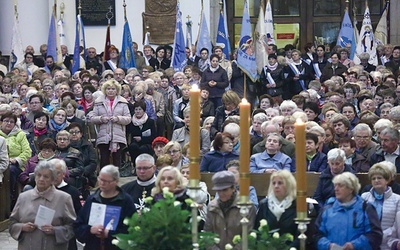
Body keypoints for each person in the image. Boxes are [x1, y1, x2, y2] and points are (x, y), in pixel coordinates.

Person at [9, 161, 76, 250]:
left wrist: (55, 231)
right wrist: (22, 227)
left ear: (52, 179)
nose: (41, 179)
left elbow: (72, 227)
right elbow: (12, 223)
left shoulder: (64, 198)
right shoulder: (23, 197)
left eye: (46, 176)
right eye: (39, 175)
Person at [74, 165, 136, 250]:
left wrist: (110, 234)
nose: (102, 183)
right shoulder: (92, 199)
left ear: (116, 181)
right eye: (100, 179)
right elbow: (78, 226)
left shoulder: (125, 201)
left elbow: (132, 229)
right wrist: (90, 230)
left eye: (106, 181)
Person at [315, 172, 383, 250]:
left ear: (351, 189)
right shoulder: (326, 210)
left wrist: (354, 245)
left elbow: (375, 235)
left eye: (340, 186)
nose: (336, 189)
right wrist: (328, 246)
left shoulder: (366, 208)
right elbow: (317, 236)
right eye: (335, 185)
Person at [204, 171, 256, 249]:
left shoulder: (246, 206)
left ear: (233, 188)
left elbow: (248, 235)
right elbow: (207, 234)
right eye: (218, 190)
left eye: (225, 190)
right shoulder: (212, 207)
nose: (221, 194)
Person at [88, 79, 131, 168]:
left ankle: (116, 178)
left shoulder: (123, 102)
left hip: (118, 135)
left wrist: (118, 119)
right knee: (104, 158)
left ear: (117, 90)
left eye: (113, 89)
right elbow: (92, 118)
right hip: (103, 134)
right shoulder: (98, 102)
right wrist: (101, 119)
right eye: (108, 89)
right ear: (105, 90)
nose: (110, 91)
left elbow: (128, 119)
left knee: (117, 159)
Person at [361, 162, 400, 250]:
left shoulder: (398, 199)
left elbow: (396, 226)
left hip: (388, 244)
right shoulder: (364, 197)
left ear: (387, 180)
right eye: (373, 178)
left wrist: (379, 236)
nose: (376, 180)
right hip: (368, 243)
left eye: (379, 178)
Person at [255, 170, 298, 247]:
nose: (276, 186)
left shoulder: (298, 205)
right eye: (274, 183)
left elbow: (301, 236)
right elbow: (257, 231)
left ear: (289, 185)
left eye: (280, 183)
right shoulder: (264, 205)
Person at [0, 112, 32, 205]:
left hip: (16, 165)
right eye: (6, 121)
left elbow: (27, 152)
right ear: (1, 122)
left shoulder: (20, 134)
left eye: (11, 122)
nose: (9, 123)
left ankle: (9, 197)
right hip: (2, 163)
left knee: (10, 170)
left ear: (15, 124)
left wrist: (16, 159)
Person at [51, 158, 82, 250]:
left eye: (57, 173)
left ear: (63, 174)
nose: (53, 176)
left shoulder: (72, 192)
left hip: (66, 237)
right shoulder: (43, 191)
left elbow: (78, 215)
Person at [68, 123, 98, 188]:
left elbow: (93, 163)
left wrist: (81, 172)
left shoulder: (88, 146)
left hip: (85, 175)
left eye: (76, 132)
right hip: (69, 175)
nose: (74, 134)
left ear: (81, 134)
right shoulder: (66, 146)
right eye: (71, 132)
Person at [127, 100, 156, 165]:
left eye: (140, 109)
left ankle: (146, 165)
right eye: (136, 109)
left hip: (147, 143)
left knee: (143, 149)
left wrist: (141, 139)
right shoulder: (131, 122)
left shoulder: (150, 122)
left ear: (144, 110)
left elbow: (153, 137)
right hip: (135, 143)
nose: (138, 111)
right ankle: (135, 166)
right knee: (133, 147)